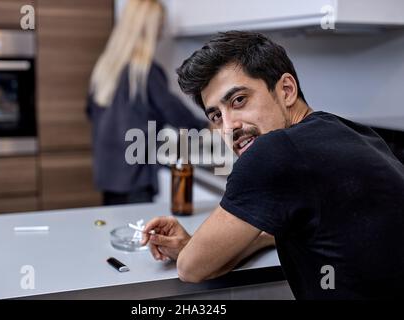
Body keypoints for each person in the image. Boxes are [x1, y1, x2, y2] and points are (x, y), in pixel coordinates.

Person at [141, 31, 404, 299]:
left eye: (239, 100)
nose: (229, 127)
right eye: (217, 116)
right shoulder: (352, 133)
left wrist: (191, 250)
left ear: (286, 90)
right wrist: (201, 245)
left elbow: (190, 268)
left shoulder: (274, 151)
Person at [86, 0, 207, 205]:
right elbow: (173, 112)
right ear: (148, 29)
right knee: (138, 234)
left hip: (109, 174)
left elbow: (90, 112)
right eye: (159, 25)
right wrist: (206, 125)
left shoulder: (106, 68)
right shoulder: (144, 72)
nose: (161, 31)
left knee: (116, 230)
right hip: (135, 175)